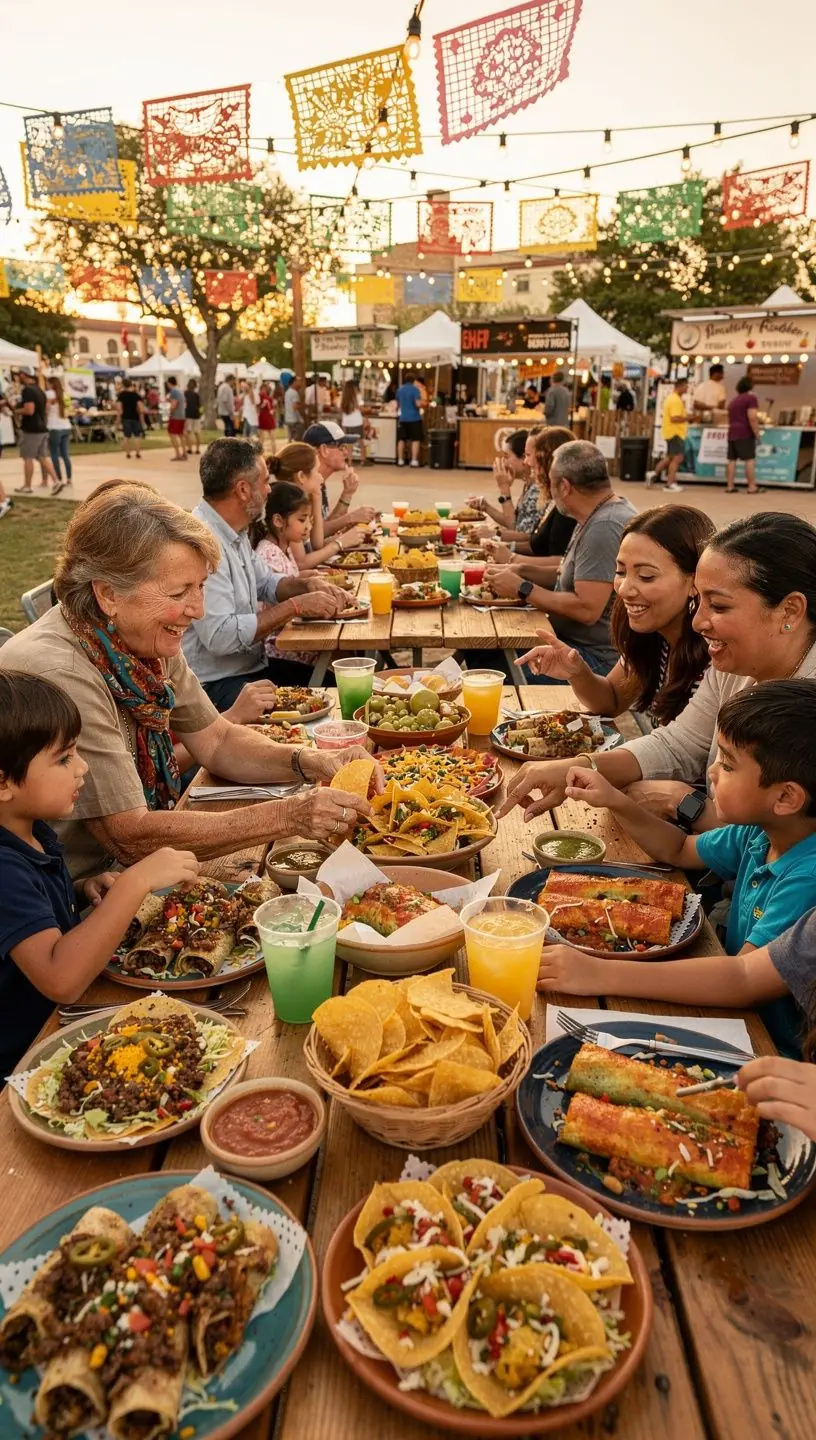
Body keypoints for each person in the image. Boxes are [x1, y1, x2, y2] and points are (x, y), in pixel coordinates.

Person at [0, 478, 377, 880]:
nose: (197, 610)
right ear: (109, 594)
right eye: (180, 592)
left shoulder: (137, 636)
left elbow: (216, 740)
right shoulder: (64, 673)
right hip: (71, 899)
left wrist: (314, 762)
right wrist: (290, 816)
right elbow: (128, 836)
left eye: (200, 588)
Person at [539, 681, 816, 1057]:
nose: (712, 773)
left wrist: (598, 973)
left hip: (765, 1047)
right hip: (720, 1005)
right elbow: (680, 848)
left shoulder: (807, 875)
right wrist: (615, 799)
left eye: (728, 764)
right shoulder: (759, 832)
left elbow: (743, 978)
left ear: (785, 797)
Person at [500, 512, 816, 829]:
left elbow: (776, 840)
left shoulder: (799, 700)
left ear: (789, 610)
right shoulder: (735, 660)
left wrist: (682, 801)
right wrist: (580, 765)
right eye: (620, 571)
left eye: (718, 606)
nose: (698, 621)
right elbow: (678, 744)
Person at [0, 670, 202, 1075]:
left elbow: (33, 914)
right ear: (3, 783)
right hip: (28, 1063)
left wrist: (79, 889)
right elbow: (61, 979)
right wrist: (135, 881)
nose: (83, 768)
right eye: (64, 758)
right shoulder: (3, 868)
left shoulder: (31, 832)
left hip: (66, 1027)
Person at [183, 438, 349, 709]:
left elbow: (269, 583)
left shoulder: (232, 531)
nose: (269, 489)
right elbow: (220, 636)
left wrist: (306, 584)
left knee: (335, 685)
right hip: (216, 686)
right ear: (243, 489)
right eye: (264, 482)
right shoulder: (203, 541)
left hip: (249, 670)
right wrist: (295, 606)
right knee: (327, 704)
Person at [519, 506, 714, 725]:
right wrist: (577, 672)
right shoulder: (654, 635)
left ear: (695, 582)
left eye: (646, 576)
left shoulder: (717, 661)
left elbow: (680, 753)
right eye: (621, 572)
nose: (623, 589)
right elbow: (611, 700)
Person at [484, 441, 637, 675]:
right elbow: (568, 574)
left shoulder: (604, 526)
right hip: (573, 646)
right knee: (485, 644)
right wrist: (521, 570)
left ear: (564, 486)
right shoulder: (597, 513)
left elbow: (587, 609)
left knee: (487, 660)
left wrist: (522, 588)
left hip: (594, 661)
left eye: (551, 482)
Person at [252, 481, 324, 683]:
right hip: (280, 648)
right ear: (278, 520)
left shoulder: (285, 546)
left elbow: (289, 577)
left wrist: (309, 578)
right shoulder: (268, 554)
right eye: (302, 520)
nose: (308, 526)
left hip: (293, 636)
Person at [260, 442, 365, 571]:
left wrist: (317, 495)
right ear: (301, 476)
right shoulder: (288, 506)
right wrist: (339, 543)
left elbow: (316, 543)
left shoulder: (301, 500)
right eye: (317, 470)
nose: (321, 477)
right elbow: (302, 562)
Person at [302, 422, 377, 536]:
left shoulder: (319, 482)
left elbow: (323, 526)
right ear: (324, 450)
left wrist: (347, 493)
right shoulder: (305, 486)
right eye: (341, 447)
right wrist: (350, 518)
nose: (346, 453)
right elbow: (313, 536)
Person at [14, 367, 58, 494]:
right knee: (42, 457)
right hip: (42, 428)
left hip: (31, 429)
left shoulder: (27, 390)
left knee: (28, 457)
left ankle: (27, 486)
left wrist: (15, 411)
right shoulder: (39, 389)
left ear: (24, 374)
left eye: (20, 374)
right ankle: (56, 481)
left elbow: (29, 410)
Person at [648, 378, 687, 493]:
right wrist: (689, 418)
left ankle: (653, 473)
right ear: (680, 386)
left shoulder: (672, 398)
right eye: (686, 386)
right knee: (677, 458)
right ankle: (670, 484)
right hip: (675, 432)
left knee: (670, 457)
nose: (687, 388)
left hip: (670, 432)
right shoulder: (675, 400)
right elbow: (674, 418)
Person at [726, 375, 762, 495]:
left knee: (732, 460)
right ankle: (752, 486)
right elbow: (752, 417)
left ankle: (730, 486)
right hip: (744, 432)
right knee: (749, 459)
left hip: (732, 432)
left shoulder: (734, 400)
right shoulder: (751, 398)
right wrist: (757, 433)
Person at [46, 375, 72, 494]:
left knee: (54, 454)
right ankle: (69, 478)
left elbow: (46, 410)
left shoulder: (50, 394)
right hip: (66, 426)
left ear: (51, 384)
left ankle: (59, 478)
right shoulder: (64, 394)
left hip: (54, 426)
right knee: (65, 454)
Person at [396, 372, 423, 467]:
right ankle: (414, 460)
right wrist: (422, 403)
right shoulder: (415, 390)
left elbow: (397, 404)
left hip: (403, 418)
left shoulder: (399, 390)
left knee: (401, 439)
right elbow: (418, 404)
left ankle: (400, 460)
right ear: (413, 381)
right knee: (415, 439)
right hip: (414, 418)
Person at [339, 379, 367, 462]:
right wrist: (369, 409)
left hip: (346, 423)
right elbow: (361, 408)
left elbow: (340, 409)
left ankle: (350, 461)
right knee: (361, 442)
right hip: (357, 422)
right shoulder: (357, 396)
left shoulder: (342, 397)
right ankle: (363, 460)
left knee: (349, 443)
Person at [117, 377, 145, 460]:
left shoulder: (121, 395)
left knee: (126, 436)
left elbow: (119, 408)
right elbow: (141, 408)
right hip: (135, 417)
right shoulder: (136, 395)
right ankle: (138, 453)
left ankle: (128, 453)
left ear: (123, 385)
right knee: (137, 436)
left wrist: (118, 417)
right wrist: (142, 417)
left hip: (126, 417)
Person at [166, 375, 186, 461]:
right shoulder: (179, 390)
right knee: (181, 434)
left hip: (176, 416)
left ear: (168, 383)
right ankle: (184, 452)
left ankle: (178, 454)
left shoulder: (173, 391)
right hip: (182, 415)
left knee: (172, 434)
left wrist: (170, 412)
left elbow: (174, 404)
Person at [184, 378, 202, 455]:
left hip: (188, 415)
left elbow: (184, 405)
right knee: (197, 432)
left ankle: (190, 448)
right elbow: (200, 406)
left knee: (188, 432)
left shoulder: (185, 394)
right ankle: (197, 449)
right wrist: (200, 414)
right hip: (196, 415)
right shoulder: (196, 395)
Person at [258, 383, 276, 451]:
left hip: (268, 418)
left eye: (265, 389)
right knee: (261, 439)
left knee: (272, 437)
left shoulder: (269, 398)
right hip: (262, 418)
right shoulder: (259, 396)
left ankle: (274, 453)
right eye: (263, 389)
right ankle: (261, 454)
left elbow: (272, 409)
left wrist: (272, 410)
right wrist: (263, 405)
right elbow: (257, 407)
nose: (264, 390)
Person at [284, 376, 303, 440]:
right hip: (294, 419)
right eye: (299, 381)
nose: (300, 383)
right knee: (298, 438)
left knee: (290, 438)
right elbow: (295, 407)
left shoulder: (287, 392)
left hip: (288, 418)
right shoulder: (294, 393)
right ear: (294, 382)